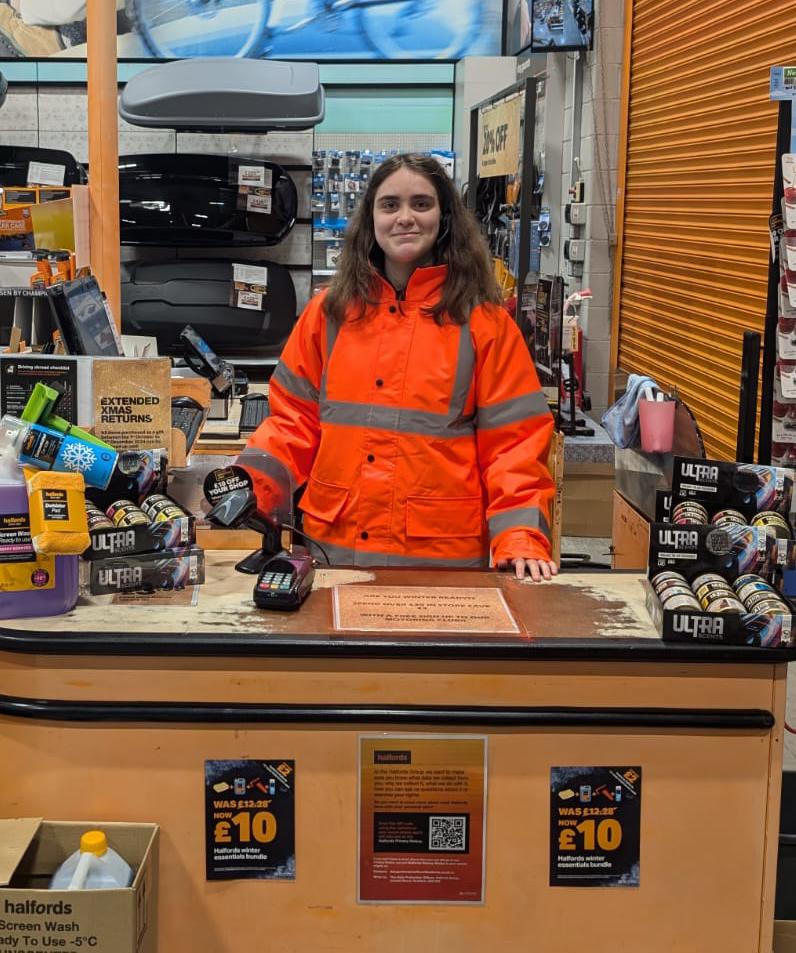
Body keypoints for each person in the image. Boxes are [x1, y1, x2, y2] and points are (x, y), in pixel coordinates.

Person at [240, 153, 557, 581]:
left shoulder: (484, 324)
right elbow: (291, 423)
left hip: (440, 563)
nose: (405, 217)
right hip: (334, 555)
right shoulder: (328, 314)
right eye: (390, 205)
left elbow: (514, 445)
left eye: (421, 204)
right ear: (370, 219)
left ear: (444, 218)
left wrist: (520, 535)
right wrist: (246, 486)